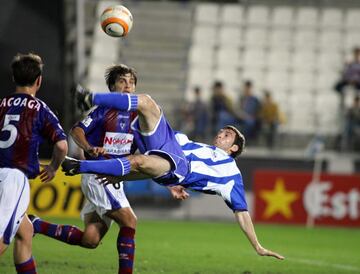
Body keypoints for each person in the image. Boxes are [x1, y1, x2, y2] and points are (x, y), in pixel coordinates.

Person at [62, 89, 285, 260]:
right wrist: (124, 175)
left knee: (137, 161)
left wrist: (257, 245)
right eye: (222, 130)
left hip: (179, 169)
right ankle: (91, 98)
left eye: (227, 134)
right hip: (170, 148)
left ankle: (80, 166)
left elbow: (242, 213)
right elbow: (152, 169)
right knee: (147, 103)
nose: (221, 133)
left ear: (233, 148)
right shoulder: (192, 143)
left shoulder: (231, 175)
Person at [29, 64, 139, 274]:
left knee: (90, 239)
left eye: (131, 82)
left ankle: (37, 225)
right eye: (122, 81)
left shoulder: (136, 116)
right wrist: (89, 147)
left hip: (114, 180)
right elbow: (76, 130)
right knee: (130, 221)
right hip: (99, 176)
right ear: (112, 87)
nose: (128, 86)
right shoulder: (102, 112)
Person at [0, 53, 68, 274]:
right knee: (2, 238)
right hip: (13, 177)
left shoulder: (1, 104)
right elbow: (61, 146)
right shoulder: (39, 108)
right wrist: (53, 167)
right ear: (39, 80)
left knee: (24, 232)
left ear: (13, 78)